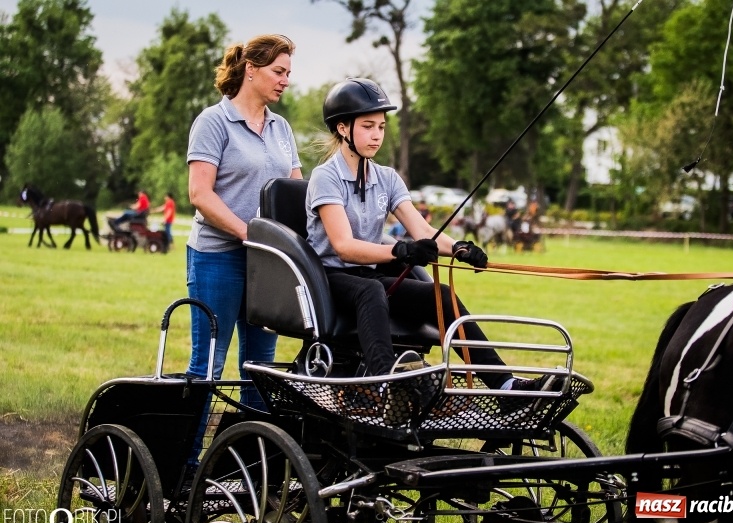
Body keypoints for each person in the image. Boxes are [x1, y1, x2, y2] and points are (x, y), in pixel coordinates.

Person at [306, 78, 556, 406]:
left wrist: (460, 248)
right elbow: (343, 246)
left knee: (442, 295)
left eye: (381, 126)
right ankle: (384, 385)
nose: (377, 135)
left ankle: (505, 386)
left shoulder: (387, 177)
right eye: (368, 126)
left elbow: (421, 229)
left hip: (370, 277)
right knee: (371, 289)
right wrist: (399, 249)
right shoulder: (326, 177)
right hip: (332, 279)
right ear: (342, 128)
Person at [185, 34, 303, 403]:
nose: (285, 79)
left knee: (260, 368)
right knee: (208, 365)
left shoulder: (281, 128)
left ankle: (249, 458)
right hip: (217, 258)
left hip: (268, 264)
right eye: (278, 71)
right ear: (251, 69)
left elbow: (296, 192)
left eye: (288, 72)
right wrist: (248, 233)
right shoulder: (213, 121)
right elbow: (200, 194)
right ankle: (187, 461)